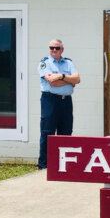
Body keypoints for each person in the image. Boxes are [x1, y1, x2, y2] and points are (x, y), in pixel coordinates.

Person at [37, 39, 80, 169]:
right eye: (51, 48)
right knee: (47, 132)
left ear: (62, 49)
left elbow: (77, 79)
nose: (54, 50)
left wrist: (60, 76)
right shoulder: (44, 63)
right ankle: (44, 165)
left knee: (66, 131)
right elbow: (52, 82)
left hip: (66, 101)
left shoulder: (69, 62)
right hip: (50, 100)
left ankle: (63, 165)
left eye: (57, 48)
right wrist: (68, 80)